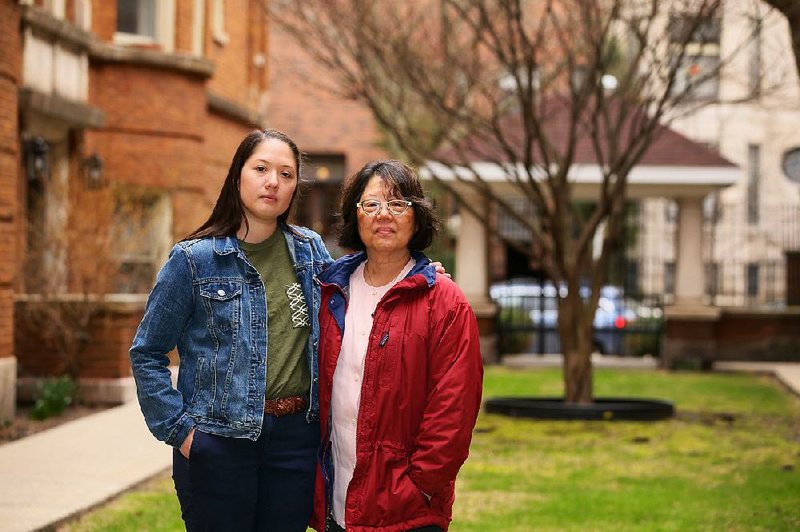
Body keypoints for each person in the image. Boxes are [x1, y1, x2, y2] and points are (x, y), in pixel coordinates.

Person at [129, 129, 333, 531]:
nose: (273, 181)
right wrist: (182, 433)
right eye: (261, 168)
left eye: (286, 174)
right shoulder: (193, 260)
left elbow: (359, 292)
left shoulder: (310, 251)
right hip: (218, 442)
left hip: (294, 444)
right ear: (237, 175)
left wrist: (417, 272)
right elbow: (147, 352)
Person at [311, 160, 484, 532]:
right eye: (371, 204)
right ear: (355, 215)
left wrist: (420, 486)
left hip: (408, 510)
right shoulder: (328, 292)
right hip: (334, 503)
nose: (383, 215)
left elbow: (453, 411)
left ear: (416, 216)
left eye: (397, 204)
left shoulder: (445, 302)